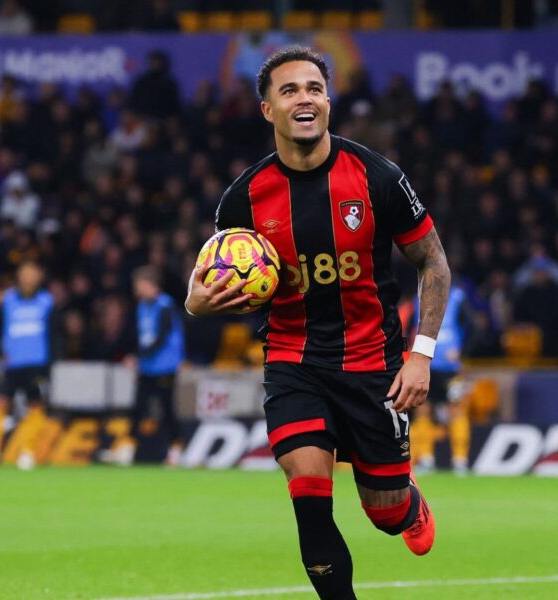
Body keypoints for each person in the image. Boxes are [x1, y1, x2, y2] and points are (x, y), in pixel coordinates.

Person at [185, 47, 450, 599]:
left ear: (328, 101)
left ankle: (407, 502)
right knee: (308, 491)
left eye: (314, 88)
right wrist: (198, 302)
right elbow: (201, 289)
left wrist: (422, 354)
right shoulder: (242, 202)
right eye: (289, 90)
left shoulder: (377, 177)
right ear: (267, 110)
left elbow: (433, 261)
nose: (304, 98)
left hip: (374, 364)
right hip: (293, 362)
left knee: (387, 515)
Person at [0, 260, 57, 470]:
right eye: (25, 273)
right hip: (12, 365)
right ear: (19, 276)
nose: (29, 278)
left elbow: (55, 336)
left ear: (39, 277)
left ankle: (28, 453)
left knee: (36, 407)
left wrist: (51, 366)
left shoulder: (46, 301)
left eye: (33, 273)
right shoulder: (8, 300)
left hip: (37, 365)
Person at [102, 266, 184, 466]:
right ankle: (128, 448)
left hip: (165, 367)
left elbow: (161, 338)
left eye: (139, 285)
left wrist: (138, 356)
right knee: (138, 408)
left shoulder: (165, 305)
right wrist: (136, 356)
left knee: (166, 409)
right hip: (147, 367)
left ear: (151, 285)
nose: (137, 289)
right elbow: (143, 338)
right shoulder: (141, 307)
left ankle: (176, 449)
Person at [409, 284, 472, 476]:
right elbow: (410, 328)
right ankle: (426, 459)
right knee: (423, 411)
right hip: (425, 365)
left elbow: (475, 325)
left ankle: (460, 460)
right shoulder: (417, 298)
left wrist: (463, 351)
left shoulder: (458, 298)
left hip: (449, 369)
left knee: (456, 410)